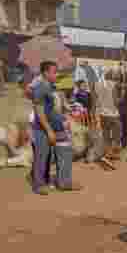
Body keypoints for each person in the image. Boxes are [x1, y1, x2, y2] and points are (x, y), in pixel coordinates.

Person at [31, 61, 81, 194]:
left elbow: (59, 106)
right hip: (43, 129)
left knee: (65, 152)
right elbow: (39, 111)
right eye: (54, 72)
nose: (56, 74)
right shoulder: (40, 88)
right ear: (46, 73)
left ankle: (64, 182)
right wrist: (48, 130)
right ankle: (39, 184)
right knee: (42, 156)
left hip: (59, 128)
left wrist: (68, 112)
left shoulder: (54, 88)